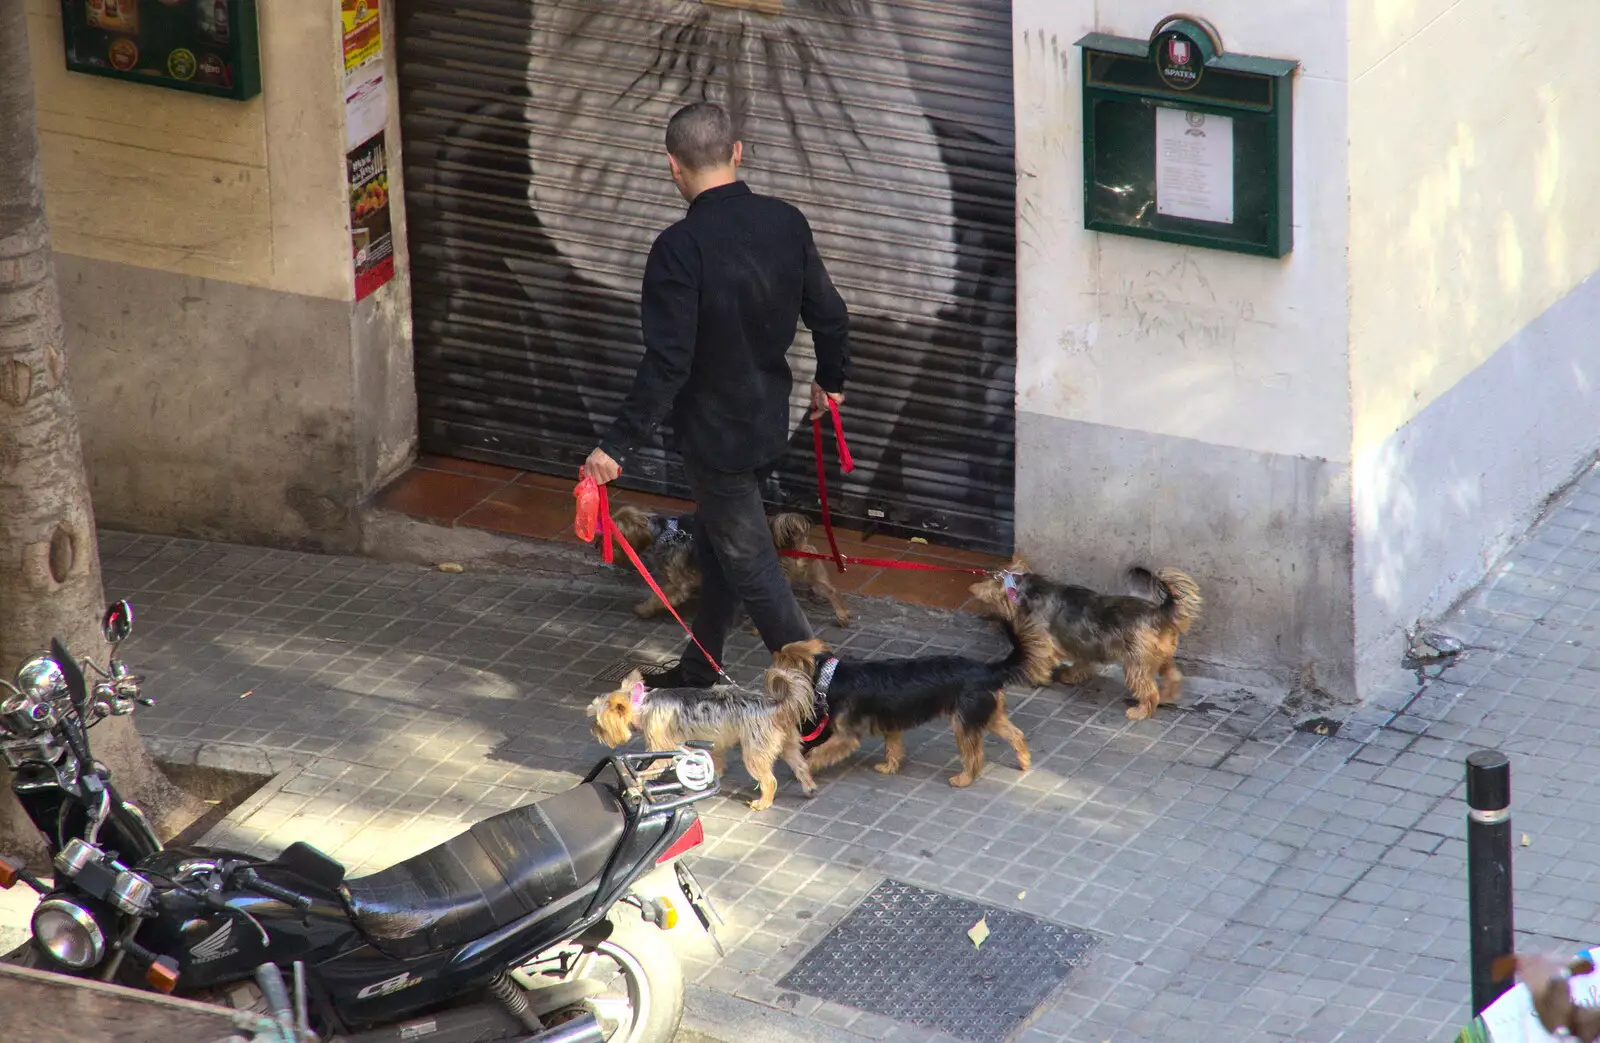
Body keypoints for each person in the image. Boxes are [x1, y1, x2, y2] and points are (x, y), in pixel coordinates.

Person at [582, 101, 851, 688]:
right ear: (737, 152)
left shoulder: (679, 248)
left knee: (753, 564)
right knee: (719, 541)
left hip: (715, 436)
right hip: (765, 422)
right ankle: (700, 665)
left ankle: (826, 693)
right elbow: (830, 314)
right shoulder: (786, 220)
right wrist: (829, 381)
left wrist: (615, 446)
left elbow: (668, 361)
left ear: (673, 167)